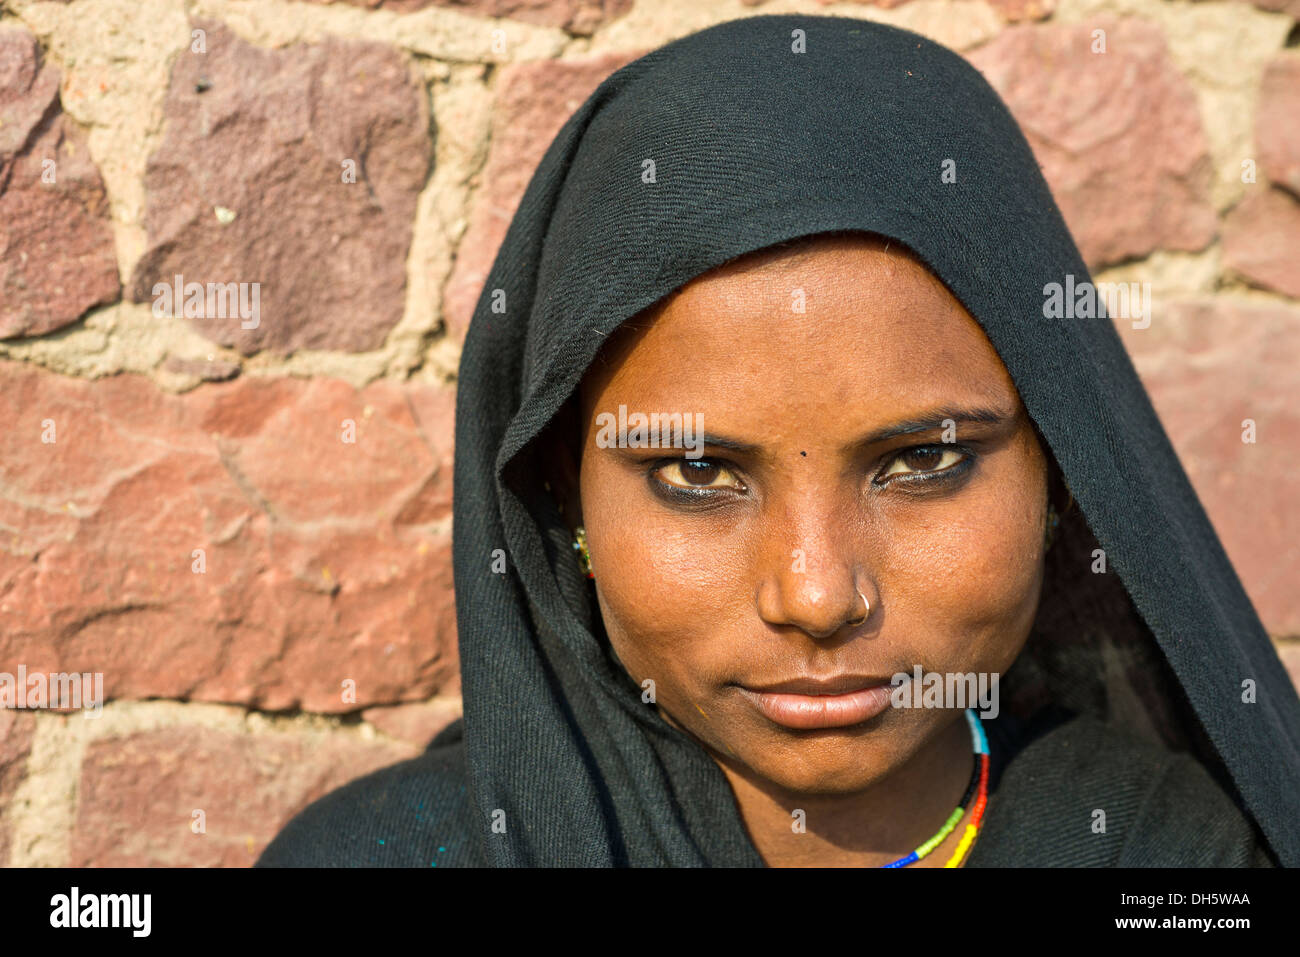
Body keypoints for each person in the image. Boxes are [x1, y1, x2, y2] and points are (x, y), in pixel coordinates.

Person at [257, 13, 1300, 867]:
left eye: (924, 461)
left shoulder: (1180, 860)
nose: (814, 596)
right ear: (561, 497)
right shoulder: (389, 858)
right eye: (698, 472)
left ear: (1060, 482)